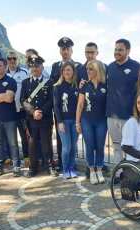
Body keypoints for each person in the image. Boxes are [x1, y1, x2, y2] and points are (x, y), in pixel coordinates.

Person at [50, 37, 84, 172]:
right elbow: (53, 86)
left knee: (71, 144)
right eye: (62, 49)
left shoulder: (79, 66)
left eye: (67, 49)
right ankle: (64, 167)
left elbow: (82, 85)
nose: (65, 51)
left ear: (71, 50)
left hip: (74, 113)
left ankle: (70, 166)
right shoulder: (55, 66)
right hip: (60, 111)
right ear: (60, 51)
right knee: (63, 142)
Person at [106, 38, 140, 164]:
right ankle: (118, 174)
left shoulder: (137, 67)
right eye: (115, 49)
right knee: (116, 148)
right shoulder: (109, 67)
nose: (117, 52)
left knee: (131, 148)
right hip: (112, 116)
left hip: (130, 116)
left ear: (128, 50)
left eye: (120, 50)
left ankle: (132, 175)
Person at [20, 55, 55, 177]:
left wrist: (41, 112)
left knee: (46, 143)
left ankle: (49, 166)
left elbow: (51, 100)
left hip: (45, 119)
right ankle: (32, 167)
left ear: (42, 67)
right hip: (31, 119)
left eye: (37, 66)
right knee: (32, 144)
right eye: (32, 66)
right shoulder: (25, 83)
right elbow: (23, 101)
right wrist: (33, 112)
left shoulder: (49, 83)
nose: (35, 68)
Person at [76, 60, 107, 184]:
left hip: (101, 121)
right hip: (86, 120)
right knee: (89, 146)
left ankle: (99, 169)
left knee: (100, 146)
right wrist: (77, 123)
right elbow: (80, 105)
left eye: (91, 69)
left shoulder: (105, 85)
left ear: (98, 70)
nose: (88, 71)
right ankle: (91, 171)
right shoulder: (84, 85)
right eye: (87, 69)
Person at [53, 62, 79, 179]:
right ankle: (65, 169)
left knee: (73, 147)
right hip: (63, 122)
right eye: (65, 70)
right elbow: (56, 106)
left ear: (73, 71)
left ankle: (72, 168)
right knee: (66, 147)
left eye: (69, 70)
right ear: (62, 72)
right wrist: (59, 122)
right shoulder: (57, 87)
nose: (67, 72)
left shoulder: (77, 86)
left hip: (75, 121)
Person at [7, 51, 30, 169]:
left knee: (24, 135)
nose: (12, 61)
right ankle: (11, 159)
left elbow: (28, 90)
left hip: (21, 110)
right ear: (7, 60)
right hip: (9, 111)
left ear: (17, 60)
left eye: (14, 59)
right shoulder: (3, 74)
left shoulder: (25, 72)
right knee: (11, 137)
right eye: (9, 58)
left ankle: (27, 157)